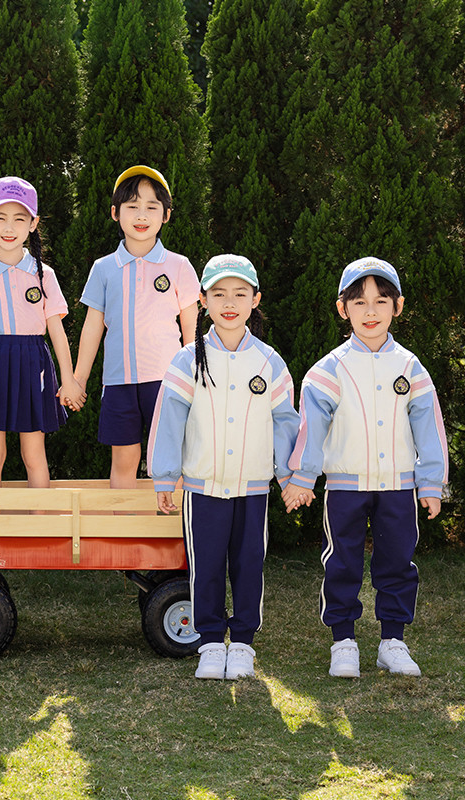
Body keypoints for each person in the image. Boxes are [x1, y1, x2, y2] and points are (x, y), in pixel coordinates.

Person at [284, 257, 448, 678]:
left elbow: (429, 428)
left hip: (398, 487)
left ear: (398, 306)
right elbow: (311, 430)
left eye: (380, 301)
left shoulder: (410, 367)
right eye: (359, 302)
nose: (370, 311)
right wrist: (303, 477)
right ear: (343, 309)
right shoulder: (328, 370)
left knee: (397, 563)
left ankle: (393, 641)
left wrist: (431, 483)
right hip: (344, 487)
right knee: (342, 564)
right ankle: (343, 642)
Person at [149, 255, 300, 680]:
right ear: (203, 301)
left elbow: (286, 422)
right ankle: (212, 643)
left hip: (252, 488)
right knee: (207, 567)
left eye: (239, 294)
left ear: (255, 300)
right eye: (218, 294)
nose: (229, 303)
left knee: (249, 566)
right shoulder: (187, 360)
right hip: (203, 489)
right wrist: (165, 476)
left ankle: (244, 644)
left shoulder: (269, 362)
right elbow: (168, 421)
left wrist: (289, 476)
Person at [0, 176, 84, 488]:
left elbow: (57, 331)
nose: (9, 227)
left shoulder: (44, 275)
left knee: (33, 454)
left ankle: (41, 520)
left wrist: (68, 380)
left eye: (19, 219)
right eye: (0, 218)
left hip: (32, 362)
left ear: (33, 224)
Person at [74, 165, 200, 488]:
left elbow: (191, 327)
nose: (141, 215)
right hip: (118, 382)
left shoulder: (179, 265)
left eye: (151, 207)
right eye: (132, 206)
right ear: (115, 213)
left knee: (171, 461)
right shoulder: (103, 268)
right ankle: (121, 521)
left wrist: (195, 378)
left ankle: (178, 522)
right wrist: (78, 380)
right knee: (124, 461)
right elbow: (92, 328)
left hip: (168, 381)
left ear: (166, 215)